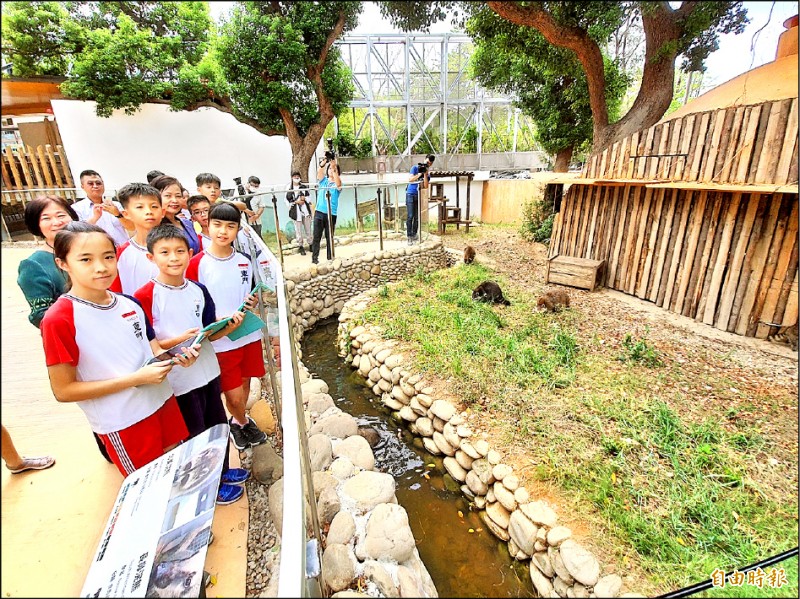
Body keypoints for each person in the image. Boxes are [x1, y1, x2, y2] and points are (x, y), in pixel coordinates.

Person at [40, 222, 198, 477]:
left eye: (108, 257)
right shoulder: (60, 318)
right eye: (86, 260)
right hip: (124, 420)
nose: (101, 267)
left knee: (176, 475)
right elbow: (63, 390)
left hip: (162, 402)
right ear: (63, 263)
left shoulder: (129, 303)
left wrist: (177, 358)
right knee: (147, 490)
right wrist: (134, 380)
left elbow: (151, 351)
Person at [135, 224, 250, 505]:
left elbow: (209, 330)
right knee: (195, 435)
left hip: (208, 372)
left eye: (179, 251)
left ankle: (221, 472)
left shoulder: (198, 290)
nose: (173, 258)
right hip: (179, 382)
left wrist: (229, 325)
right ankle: (206, 490)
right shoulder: (144, 297)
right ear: (151, 257)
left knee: (217, 426)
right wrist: (176, 347)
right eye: (164, 252)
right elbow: (145, 347)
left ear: (190, 253)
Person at [17, 196, 113, 464]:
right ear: (36, 226)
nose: (55, 222)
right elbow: (40, 315)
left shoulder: (89, 247)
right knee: (96, 393)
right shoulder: (35, 265)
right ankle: (109, 446)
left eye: (60, 215)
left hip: (109, 330)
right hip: (77, 342)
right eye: (45, 218)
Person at [186, 203, 268, 451]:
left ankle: (239, 419)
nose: (223, 231)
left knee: (245, 384)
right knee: (231, 393)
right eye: (217, 225)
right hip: (221, 340)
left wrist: (251, 300)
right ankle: (241, 421)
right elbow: (191, 302)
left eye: (230, 226)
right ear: (206, 225)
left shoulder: (243, 261)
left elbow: (248, 292)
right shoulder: (197, 264)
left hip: (247, 334)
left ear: (238, 230)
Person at [108, 183, 163, 295]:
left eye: (154, 206)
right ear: (126, 214)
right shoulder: (119, 254)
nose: (149, 211)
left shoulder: (176, 249)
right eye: (139, 207)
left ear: (163, 212)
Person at [72, 169, 133, 246]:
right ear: (82, 186)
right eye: (90, 183)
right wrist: (95, 218)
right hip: (98, 252)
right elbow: (76, 234)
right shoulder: (77, 208)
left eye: (98, 183)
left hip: (123, 250)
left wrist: (117, 214)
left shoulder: (116, 205)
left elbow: (131, 227)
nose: (95, 186)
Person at [150, 175, 201, 253]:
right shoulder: (153, 226)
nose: (174, 200)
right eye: (168, 196)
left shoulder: (187, 223)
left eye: (178, 196)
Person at [311, 155, 342, 264]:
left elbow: (339, 184)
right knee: (316, 237)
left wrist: (334, 168)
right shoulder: (323, 181)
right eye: (329, 169)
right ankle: (314, 259)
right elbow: (319, 173)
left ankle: (330, 258)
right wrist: (324, 162)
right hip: (319, 212)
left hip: (331, 214)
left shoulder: (337, 182)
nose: (330, 170)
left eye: (333, 169)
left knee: (330, 237)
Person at [406, 154, 434, 245]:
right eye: (427, 162)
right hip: (410, 194)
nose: (427, 164)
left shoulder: (427, 174)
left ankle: (414, 234)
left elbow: (425, 186)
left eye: (429, 164)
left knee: (417, 217)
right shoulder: (414, 168)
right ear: (424, 159)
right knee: (410, 216)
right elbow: (410, 179)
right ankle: (409, 236)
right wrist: (419, 174)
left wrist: (425, 174)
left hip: (419, 195)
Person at [285, 171, 312, 255]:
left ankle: (311, 244)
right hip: (296, 213)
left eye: (298, 176)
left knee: (308, 229)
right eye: (295, 176)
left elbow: (309, 198)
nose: (296, 178)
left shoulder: (303, 187)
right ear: (292, 177)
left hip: (305, 211)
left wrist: (304, 199)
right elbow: (286, 200)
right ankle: (301, 246)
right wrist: (296, 202)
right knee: (298, 230)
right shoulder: (289, 188)